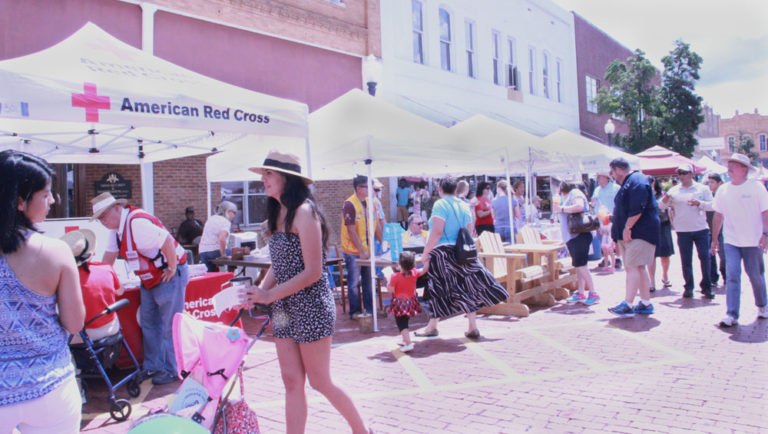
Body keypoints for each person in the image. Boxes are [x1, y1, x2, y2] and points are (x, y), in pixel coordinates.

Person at [238, 150, 369, 433]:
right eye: (263, 174)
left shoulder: (304, 212)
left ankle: (362, 430)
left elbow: (313, 272)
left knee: (320, 381)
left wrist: (268, 296)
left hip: (311, 305)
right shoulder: (276, 214)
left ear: (287, 178)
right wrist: (259, 292)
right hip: (284, 309)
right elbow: (280, 263)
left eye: (268, 174)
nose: (263, 179)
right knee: (291, 380)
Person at [0, 150, 85, 433]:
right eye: (46, 194)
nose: (52, 201)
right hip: (50, 388)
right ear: (19, 201)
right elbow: (74, 324)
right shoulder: (56, 251)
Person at [93, 191, 189, 385]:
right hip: (149, 279)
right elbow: (109, 257)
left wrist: (171, 267)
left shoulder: (137, 224)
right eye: (99, 218)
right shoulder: (116, 231)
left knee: (170, 325)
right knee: (149, 323)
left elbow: (167, 241)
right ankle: (153, 366)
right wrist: (99, 278)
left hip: (167, 274)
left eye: (104, 216)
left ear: (116, 209)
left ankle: (172, 369)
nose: (103, 221)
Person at [414, 177, 509, 339]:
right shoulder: (464, 206)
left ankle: (432, 327)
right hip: (462, 252)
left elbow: (437, 231)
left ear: (440, 190)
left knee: (437, 289)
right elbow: (469, 230)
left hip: (442, 252)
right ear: (456, 189)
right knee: (467, 286)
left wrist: (425, 253)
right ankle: (472, 326)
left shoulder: (440, 204)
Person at [710, 153, 768, 327]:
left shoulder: (757, 188)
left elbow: (765, 212)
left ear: (744, 169)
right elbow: (718, 216)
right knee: (732, 275)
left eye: (734, 165)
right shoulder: (723, 190)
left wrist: (765, 234)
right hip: (731, 241)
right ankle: (732, 313)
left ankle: (762, 305)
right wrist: (714, 239)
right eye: (729, 164)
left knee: (755, 276)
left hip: (753, 241)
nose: (730, 168)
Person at [607, 158, 660, 316]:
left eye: (612, 172)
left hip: (639, 233)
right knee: (639, 267)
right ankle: (645, 303)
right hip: (634, 233)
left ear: (619, 169)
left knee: (632, 268)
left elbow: (638, 207)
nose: (612, 176)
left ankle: (628, 304)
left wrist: (627, 227)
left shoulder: (637, 180)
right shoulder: (632, 182)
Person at [659, 164, 714, 299]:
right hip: (683, 230)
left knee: (704, 257)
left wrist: (699, 203)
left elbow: (712, 206)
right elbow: (661, 206)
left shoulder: (703, 188)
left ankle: (707, 286)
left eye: (684, 173)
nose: (681, 176)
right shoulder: (674, 190)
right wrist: (665, 200)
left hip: (700, 228)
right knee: (686, 260)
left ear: (691, 174)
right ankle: (688, 286)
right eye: (680, 174)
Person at [61, 229, 121, 344]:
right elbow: (120, 292)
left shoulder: (64, 278)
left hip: (81, 335)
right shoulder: (106, 268)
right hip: (110, 329)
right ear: (92, 252)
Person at [340, 175, 379, 318]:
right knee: (353, 283)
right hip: (353, 251)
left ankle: (369, 310)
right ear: (359, 189)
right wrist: (361, 251)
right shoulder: (349, 204)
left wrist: (382, 246)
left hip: (367, 250)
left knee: (368, 281)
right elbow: (351, 230)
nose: (371, 190)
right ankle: (355, 311)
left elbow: (376, 225)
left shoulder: (371, 203)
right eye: (368, 187)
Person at [555, 180, 599, 305]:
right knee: (579, 266)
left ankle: (593, 293)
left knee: (582, 266)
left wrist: (562, 208)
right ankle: (581, 292)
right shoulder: (570, 195)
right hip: (574, 236)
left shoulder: (575, 193)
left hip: (578, 235)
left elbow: (579, 206)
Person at [386, 251, 423, 353]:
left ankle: (408, 343)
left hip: (400, 303)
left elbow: (390, 290)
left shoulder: (395, 276)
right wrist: (427, 260)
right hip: (411, 302)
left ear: (400, 263)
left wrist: (388, 281)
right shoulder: (415, 272)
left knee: (401, 324)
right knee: (405, 321)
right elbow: (423, 270)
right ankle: (405, 340)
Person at [648, 177, 674, 292]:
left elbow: (670, 207)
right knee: (650, 255)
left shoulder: (662, 194)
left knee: (665, 254)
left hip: (663, 225)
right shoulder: (643, 195)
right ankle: (652, 281)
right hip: (650, 227)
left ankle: (665, 276)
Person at [591, 171, 621, 269]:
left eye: (600, 177)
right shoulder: (597, 190)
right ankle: (606, 259)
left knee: (614, 240)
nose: (598, 179)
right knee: (603, 240)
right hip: (601, 219)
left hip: (613, 218)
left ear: (607, 178)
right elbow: (594, 203)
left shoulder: (616, 188)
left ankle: (617, 258)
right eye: (598, 177)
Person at [198, 201, 237, 272]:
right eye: (234, 213)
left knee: (209, 275)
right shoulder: (225, 222)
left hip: (203, 251)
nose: (234, 216)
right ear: (228, 211)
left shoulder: (211, 219)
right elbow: (222, 239)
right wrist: (223, 255)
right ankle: (231, 277)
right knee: (234, 254)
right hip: (215, 251)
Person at [706, 173, 727, 287]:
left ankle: (726, 276)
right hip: (709, 229)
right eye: (709, 182)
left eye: (712, 182)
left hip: (723, 230)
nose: (710, 185)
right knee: (710, 256)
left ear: (719, 183)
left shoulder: (724, 195)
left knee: (724, 256)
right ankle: (713, 278)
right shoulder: (708, 196)